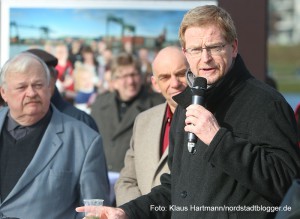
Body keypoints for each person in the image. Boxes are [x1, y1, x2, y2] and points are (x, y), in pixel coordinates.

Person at [76, 5, 300, 219]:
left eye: (214, 47)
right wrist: (128, 212)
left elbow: (287, 184)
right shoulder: (188, 105)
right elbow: (176, 189)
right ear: (186, 52)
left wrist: (218, 139)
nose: (205, 58)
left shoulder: (267, 103)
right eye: (195, 49)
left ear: (234, 47)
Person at [0, 52, 109, 218]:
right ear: (3, 93)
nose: (31, 93)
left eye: (38, 85)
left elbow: (95, 212)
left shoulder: (84, 140)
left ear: (49, 87)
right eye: (21, 87)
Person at [114, 46, 188, 206]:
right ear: (155, 83)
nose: (174, 83)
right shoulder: (143, 121)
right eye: (165, 77)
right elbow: (126, 181)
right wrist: (138, 213)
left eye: (181, 74)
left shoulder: (206, 120)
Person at [90, 52, 164, 173]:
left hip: (136, 180)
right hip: (102, 175)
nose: (130, 81)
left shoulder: (157, 104)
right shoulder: (100, 103)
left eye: (134, 74)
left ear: (141, 77)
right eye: (124, 76)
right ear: (114, 81)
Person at [26, 48, 99, 132]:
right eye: (22, 85)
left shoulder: (80, 120)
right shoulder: (12, 116)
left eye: (38, 83)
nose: (31, 92)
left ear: (54, 77)